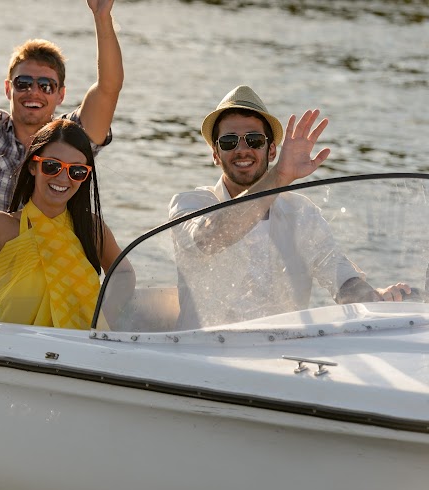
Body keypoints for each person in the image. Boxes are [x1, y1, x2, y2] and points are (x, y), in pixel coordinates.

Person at [168, 85, 410, 329]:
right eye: (229, 142)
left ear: (271, 150)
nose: (242, 150)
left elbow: (342, 279)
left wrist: (376, 298)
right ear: (216, 154)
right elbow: (209, 238)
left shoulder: (301, 213)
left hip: (285, 349)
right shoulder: (189, 204)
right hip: (202, 348)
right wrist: (280, 176)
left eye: (254, 140)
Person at [0, 0, 123, 284]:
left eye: (46, 86)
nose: (34, 92)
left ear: (61, 94)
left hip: (62, 284)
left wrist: (102, 17)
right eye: (23, 83)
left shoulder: (72, 136)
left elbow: (108, 88)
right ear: (8, 88)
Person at [0, 80, 128, 329]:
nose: (63, 178)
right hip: (21, 350)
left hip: (83, 349)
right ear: (33, 166)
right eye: (52, 166)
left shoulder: (90, 227)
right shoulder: (0, 228)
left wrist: (102, 320)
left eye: (77, 171)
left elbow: (123, 273)